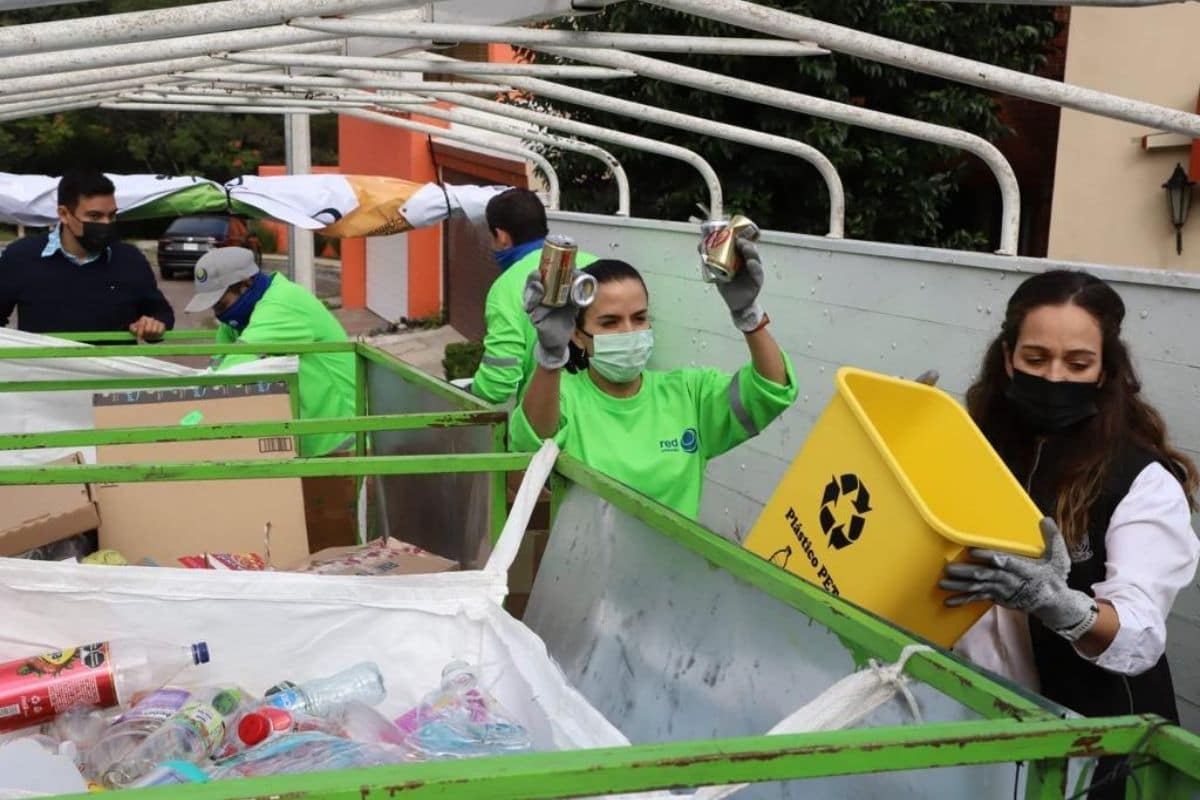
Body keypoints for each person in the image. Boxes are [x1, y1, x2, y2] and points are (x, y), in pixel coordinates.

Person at [939, 270, 1199, 798]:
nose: (1054, 377)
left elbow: (1141, 633)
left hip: (1092, 749)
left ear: (1105, 371)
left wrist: (1063, 608)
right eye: (1036, 359)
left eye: (1077, 364)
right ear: (1008, 358)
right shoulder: (974, 444)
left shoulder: (1139, 480)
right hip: (978, 723)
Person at [510, 240, 797, 519]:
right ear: (576, 334)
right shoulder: (564, 396)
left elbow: (770, 390)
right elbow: (529, 450)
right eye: (610, 322)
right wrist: (550, 356)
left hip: (670, 566)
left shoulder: (689, 393)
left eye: (639, 318)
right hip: (588, 564)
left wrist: (749, 316)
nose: (628, 331)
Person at [184, 246, 355, 459]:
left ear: (246, 284)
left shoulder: (281, 304)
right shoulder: (237, 319)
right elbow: (216, 367)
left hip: (339, 440)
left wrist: (186, 417)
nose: (218, 313)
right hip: (305, 439)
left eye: (220, 304)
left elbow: (233, 368)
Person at [0, 169, 173, 340]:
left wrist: (154, 325)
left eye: (111, 216)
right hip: (44, 368)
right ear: (64, 214)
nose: (106, 224)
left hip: (112, 367)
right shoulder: (20, 258)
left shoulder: (130, 260)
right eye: (95, 216)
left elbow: (161, 313)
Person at [471, 188, 596, 405]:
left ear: (501, 236)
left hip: (547, 418)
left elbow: (497, 384)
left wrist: (472, 390)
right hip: (606, 412)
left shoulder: (506, 287)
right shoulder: (597, 268)